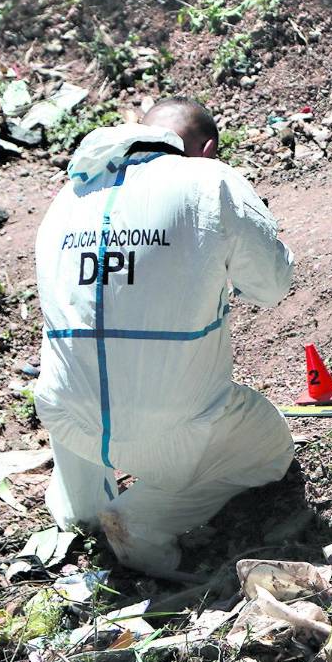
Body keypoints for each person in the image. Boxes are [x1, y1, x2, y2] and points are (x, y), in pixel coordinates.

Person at [33, 97, 295, 575]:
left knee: (78, 359)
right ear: (207, 150)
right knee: (271, 447)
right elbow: (271, 285)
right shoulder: (208, 180)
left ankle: (81, 509)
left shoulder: (71, 193)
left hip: (66, 416)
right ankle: (143, 520)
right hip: (172, 427)